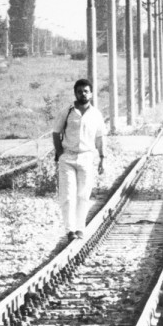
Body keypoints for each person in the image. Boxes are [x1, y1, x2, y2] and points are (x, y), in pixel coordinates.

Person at [51, 78, 107, 240]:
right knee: (68, 195)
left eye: (86, 91)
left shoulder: (96, 114)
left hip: (86, 157)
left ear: (91, 93)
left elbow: (100, 137)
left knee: (83, 195)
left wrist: (103, 158)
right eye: (80, 91)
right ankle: (70, 230)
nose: (83, 94)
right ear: (75, 93)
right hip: (67, 157)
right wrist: (60, 152)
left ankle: (80, 228)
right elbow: (56, 132)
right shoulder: (67, 111)